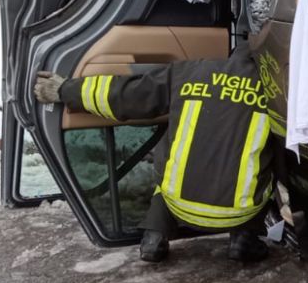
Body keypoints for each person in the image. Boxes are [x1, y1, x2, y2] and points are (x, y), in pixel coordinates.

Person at [34, 44, 280, 264]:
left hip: (178, 203)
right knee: (268, 153)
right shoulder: (277, 91)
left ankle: (154, 237)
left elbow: (125, 95)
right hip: (241, 211)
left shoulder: (190, 71)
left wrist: (66, 89)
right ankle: (244, 238)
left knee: (170, 158)